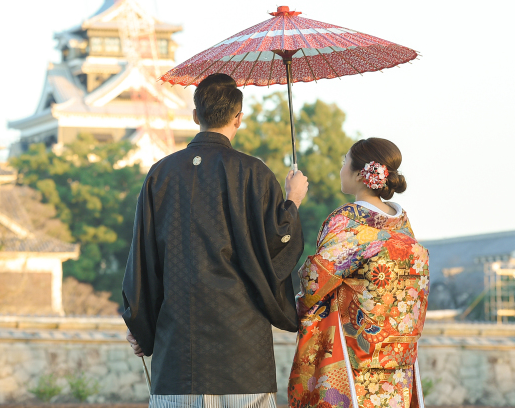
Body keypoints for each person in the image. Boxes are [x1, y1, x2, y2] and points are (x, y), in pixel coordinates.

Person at [122, 73, 309, 407]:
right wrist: (293, 199)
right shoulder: (254, 173)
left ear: (196, 115)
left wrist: (140, 323)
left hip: (177, 347)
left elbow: (144, 259)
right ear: (239, 118)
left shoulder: (160, 174)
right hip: (241, 347)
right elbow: (278, 242)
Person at [288, 138, 430, 408]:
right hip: (397, 357)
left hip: (354, 356)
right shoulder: (402, 224)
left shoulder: (348, 221)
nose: (341, 169)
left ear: (359, 174)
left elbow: (315, 281)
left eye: (345, 162)